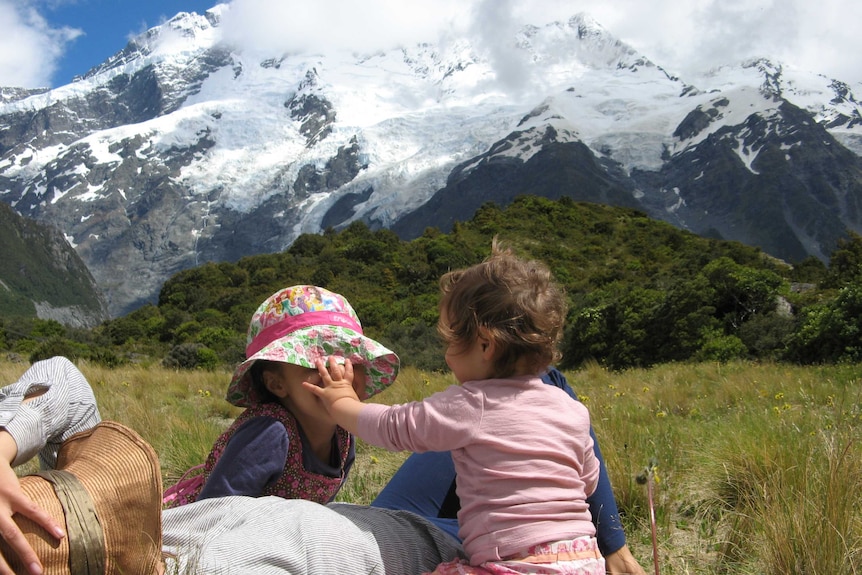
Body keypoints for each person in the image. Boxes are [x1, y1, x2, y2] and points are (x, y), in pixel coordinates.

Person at [1, 356, 644, 575]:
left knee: (540, 386)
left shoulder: (166, 526)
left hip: (403, 529)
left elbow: (60, 378)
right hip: (450, 549)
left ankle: (605, 547)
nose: (334, 370)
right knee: (542, 388)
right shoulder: (221, 555)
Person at [306, 240, 606, 574]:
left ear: (485, 344)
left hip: (515, 567)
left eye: (450, 342)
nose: (447, 355)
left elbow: (393, 427)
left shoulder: (472, 404)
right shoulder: (571, 410)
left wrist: (341, 401)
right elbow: (588, 482)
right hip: (585, 561)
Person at [165, 284, 400, 507]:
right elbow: (215, 508)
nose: (337, 374)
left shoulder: (344, 435)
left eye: (349, 360)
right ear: (276, 383)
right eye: (313, 364)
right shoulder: (269, 432)